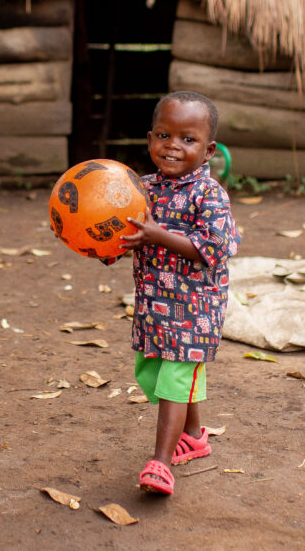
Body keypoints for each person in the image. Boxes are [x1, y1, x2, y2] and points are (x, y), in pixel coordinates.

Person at [115, 90, 240, 496]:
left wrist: (157, 235)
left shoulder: (209, 195)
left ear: (209, 150)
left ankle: (161, 464)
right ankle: (195, 436)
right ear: (150, 139)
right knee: (151, 374)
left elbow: (214, 248)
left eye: (188, 139)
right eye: (164, 135)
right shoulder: (141, 188)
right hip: (154, 306)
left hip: (196, 309)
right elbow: (123, 235)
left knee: (175, 379)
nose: (173, 146)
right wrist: (89, 236)